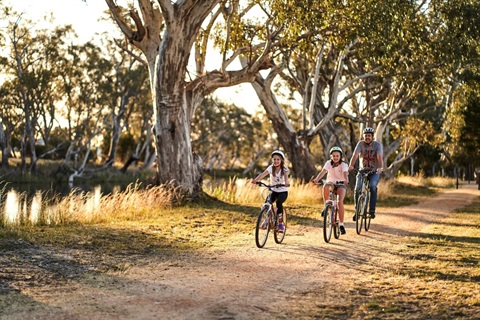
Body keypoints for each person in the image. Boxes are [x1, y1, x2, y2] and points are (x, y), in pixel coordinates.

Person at [348, 127, 384, 220]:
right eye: (366, 135)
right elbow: (355, 155)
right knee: (357, 188)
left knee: (372, 186)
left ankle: (371, 211)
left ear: (372, 136)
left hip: (374, 171)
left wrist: (380, 168)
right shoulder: (360, 144)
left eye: (369, 135)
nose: (367, 137)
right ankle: (357, 211)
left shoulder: (378, 145)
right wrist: (351, 166)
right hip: (362, 170)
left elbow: (379, 157)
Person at [313, 146, 349, 235]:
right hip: (331, 183)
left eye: (337, 156)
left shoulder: (344, 164)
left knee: (340, 201)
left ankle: (341, 224)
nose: (335, 157)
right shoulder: (328, 163)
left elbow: (345, 173)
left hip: (341, 184)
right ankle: (326, 206)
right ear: (331, 156)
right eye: (334, 156)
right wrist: (317, 179)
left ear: (340, 156)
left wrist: (345, 180)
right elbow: (323, 171)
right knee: (325, 186)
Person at [252, 150, 290, 232]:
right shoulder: (270, 168)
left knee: (278, 202)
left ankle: (280, 223)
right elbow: (262, 175)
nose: (276, 161)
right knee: (267, 203)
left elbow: (286, 178)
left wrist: (286, 183)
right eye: (274, 159)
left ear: (281, 160)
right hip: (273, 191)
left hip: (283, 192)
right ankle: (266, 220)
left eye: (278, 159)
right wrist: (256, 180)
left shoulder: (285, 169)